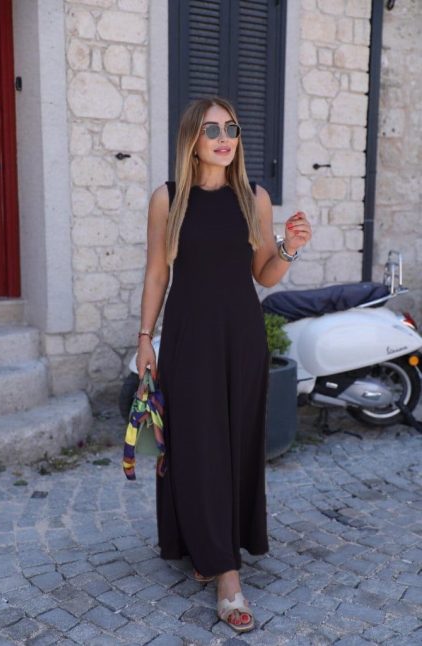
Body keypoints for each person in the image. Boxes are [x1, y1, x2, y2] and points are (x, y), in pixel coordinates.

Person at [136, 96, 312, 633]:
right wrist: (145, 338)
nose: (224, 138)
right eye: (212, 129)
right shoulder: (168, 198)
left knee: (234, 444)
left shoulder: (254, 197)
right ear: (192, 139)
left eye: (231, 128)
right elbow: (157, 273)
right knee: (196, 444)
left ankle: (218, 553)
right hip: (189, 337)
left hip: (241, 337)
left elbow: (264, 274)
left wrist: (290, 247)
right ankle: (221, 569)